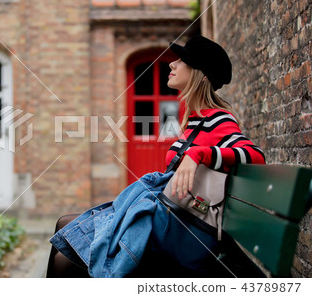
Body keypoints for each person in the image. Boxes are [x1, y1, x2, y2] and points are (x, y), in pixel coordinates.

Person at [46, 35, 266, 278]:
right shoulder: (196, 120)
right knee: (63, 225)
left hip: (184, 233)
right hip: (169, 221)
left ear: (200, 74)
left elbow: (254, 156)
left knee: (63, 259)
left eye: (181, 60)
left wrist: (198, 154)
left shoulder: (219, 119)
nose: (172, 64)